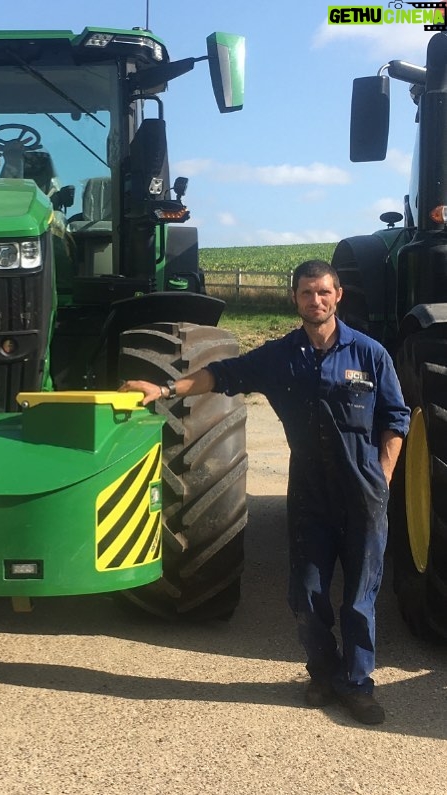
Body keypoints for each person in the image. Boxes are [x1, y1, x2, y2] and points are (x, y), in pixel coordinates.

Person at [120, 259, 410, 725]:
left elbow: (396, 419)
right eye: (305, 293)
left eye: (323, 292)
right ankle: (321, 673)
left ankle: (357, 686)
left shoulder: (370, 354)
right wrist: (166, 387)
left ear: (338, 297)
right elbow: (222, 374)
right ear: (294, 299)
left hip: (363, 495)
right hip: (311, 495)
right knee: (308, 595)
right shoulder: (279, 356)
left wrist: (383, 478)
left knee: (359, 597)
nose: (315, 301)